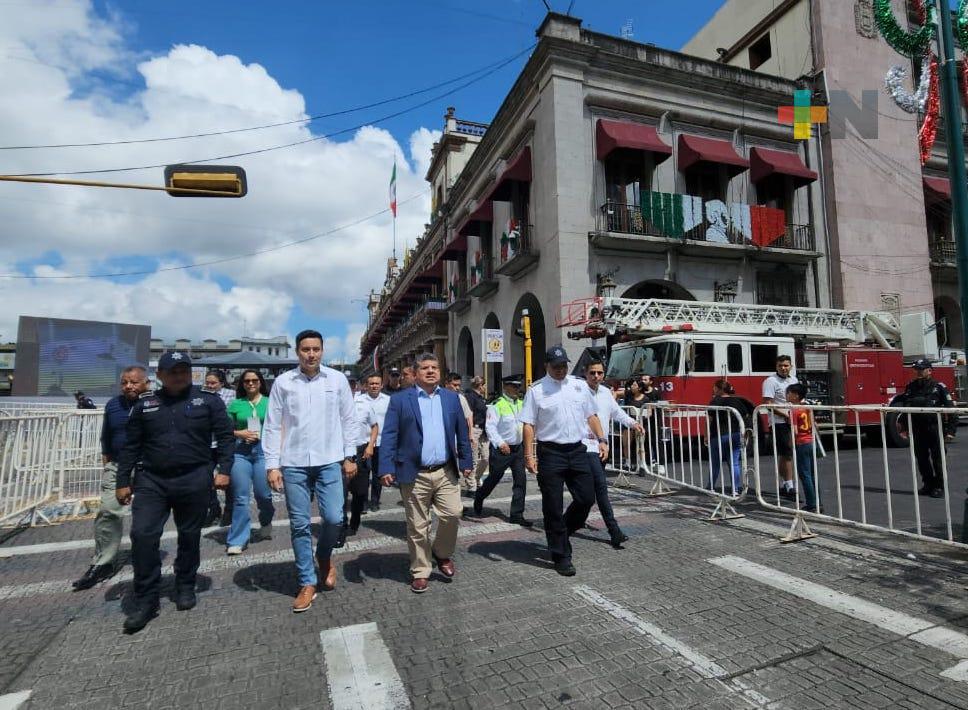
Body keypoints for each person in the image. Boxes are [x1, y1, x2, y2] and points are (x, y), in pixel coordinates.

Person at [115, 352, 234, 633]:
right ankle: (146, 598)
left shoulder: (208, 401)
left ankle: (185, 585)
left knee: (189, 536)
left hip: (194, 478)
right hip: (151, 480)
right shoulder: (145, 405)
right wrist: (123, 480)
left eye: (184, 370)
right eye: (173, 371)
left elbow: (226, 437)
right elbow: (131, 446)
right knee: (142, 535)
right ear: (160, 375)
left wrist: (225, 469)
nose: (179, 375)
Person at [263, 330, 358, 612]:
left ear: (322, 350)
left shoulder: (337, 379)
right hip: (293, 463)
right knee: (300, 525)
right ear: (297, 352)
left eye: (316, 349)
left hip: (330, 459)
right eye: (305, 349)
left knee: (334, 518)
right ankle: (307, 581)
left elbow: (349, 418)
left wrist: (349, 455)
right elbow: (272, 424)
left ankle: (324, 554)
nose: (311, 354)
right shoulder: (283, 382)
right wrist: (272, 465)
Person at [379, 353, 472, 594]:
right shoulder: (400, 400)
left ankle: (441, 553)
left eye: (434, 367)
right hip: (414, 472)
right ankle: (421, 570)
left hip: (445, 470)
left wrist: (466, 461)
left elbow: (462, 433)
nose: (430, 371)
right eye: (425, 368)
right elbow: (389, 436)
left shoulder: (452, 399)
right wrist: (386, 466)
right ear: (416, 373)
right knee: (418, 526)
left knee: (453, 513)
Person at [521, 346, 607, 577]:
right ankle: (560, 555)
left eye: (564, 366)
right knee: (552, 506)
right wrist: (529, 455)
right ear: (547, 366)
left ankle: (563, 531)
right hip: (551, 453)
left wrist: (602, 439)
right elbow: (528, 424)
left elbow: (591, 415)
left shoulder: (579, 385)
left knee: (587, 498)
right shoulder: (537, 390)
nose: (560, 370)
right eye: (556, 366)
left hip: (577, 451)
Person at [72, 366, 150, 591]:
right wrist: (107, 462)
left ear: (146, 383)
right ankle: (103, 563)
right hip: (117, 465)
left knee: (147, 519)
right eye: (125, 382)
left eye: (134, 382)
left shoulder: (156, 403)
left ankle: (145, 557)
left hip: (148, 467)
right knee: (107, 511)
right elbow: (106, 435)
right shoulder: (113, 405)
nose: (128, 386)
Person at [583, 359, 643, 548]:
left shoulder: (606, 393)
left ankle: (573, 520)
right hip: (585, 447)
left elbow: (617, 413)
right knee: (600, 488)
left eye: (600, 373)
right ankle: (614, 531)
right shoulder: (578, 393)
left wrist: (633, 423)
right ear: (586, 373)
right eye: (592, 373)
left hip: (603, 448)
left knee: (588, 494)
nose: (596, 376)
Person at [224, 369, 274, 555]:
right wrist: (239, 433)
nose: (251, 383)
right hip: (241, 453)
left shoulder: (270, 402)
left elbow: (279, 426)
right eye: (247, 381)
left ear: (260, 382)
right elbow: (225, 429)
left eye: (254, 380)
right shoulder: (235, 404)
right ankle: (237, 539)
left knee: (264, 495)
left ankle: (266, 520)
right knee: (240, 497)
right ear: (242, 384)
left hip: (263, 452)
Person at [473, 375, 531, 526]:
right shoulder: (496, 404)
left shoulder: (521, 403)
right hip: (502, 450)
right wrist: (500, 443)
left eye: (518, 386)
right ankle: (479, 496)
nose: (517, 389)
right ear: (506, 387)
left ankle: (517, 515)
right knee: (493, 479)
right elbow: (490, 427)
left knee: (520, 481)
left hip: (517, 448)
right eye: (514, 386)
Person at [897, 359, 956, 498]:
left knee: (938, 459)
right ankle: (928, 484)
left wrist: (951, 431)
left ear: (929, 370)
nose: (918, 372)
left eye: (921, 369)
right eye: (916, 369)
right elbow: (906, 407)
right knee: (922, 459)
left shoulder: (938, 387)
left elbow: (951, 410)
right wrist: (903, 426)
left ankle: (939, 486)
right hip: (918, 429)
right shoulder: (911, 387)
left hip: (935, 428)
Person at [337, 378, 378, 546]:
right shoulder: (333, 405)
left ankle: (354, 522)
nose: (349, 388)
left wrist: (370, 446)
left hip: (361, 452)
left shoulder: (365, 404)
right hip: (339, 453)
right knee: (340, 494)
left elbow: (375, 426)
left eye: (351, 385)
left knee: (360, 493)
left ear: (355, 387)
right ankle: (341, 528)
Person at [706, 379, 753, 495]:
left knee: (715, 463)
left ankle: (710, 487)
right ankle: (735, 489)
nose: (713, 389)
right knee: (734, 462)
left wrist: (706, 435)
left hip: (717, 435)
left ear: (719, 389)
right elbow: (746, 416)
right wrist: (746, 432)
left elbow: (710, 420)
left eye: (715, 387)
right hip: (735, 434)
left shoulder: (714, 401)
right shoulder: (737, 401)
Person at [762, 355, 798, 498]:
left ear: (791, 366)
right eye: (780, 366)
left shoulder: (794, 380)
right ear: (776, 367)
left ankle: (784, 484)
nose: (783, 368)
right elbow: (768, 404)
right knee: (787, 453)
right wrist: (785, 415)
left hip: (792, 421)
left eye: (786, 365)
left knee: (785, 454)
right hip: (779, 423)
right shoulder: (770, 381)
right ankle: (789, 486)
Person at [203, 370, 236, 526]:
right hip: (206, 444)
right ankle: (213, 508)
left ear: (221, 383)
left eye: (213, 383)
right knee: (204, 479)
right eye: (207, 382)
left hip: (224, 443)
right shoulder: (201, 396)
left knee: (227, 478)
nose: (209, 385)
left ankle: (229, 511)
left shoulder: (231, 395)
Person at [785, 383, 821, 512]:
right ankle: (819, 502)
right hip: (811, 441)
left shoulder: (794, 410)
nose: (787, 395)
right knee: (813, 474)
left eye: (788, 393)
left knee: (804, 474)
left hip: (801, 442)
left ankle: (811, 503)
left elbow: (794, 430)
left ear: (795, 395)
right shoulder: (807, 408)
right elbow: (816, 425)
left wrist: (790, 442)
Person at [361, 374, 391, 511]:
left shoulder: (388, 400)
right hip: (364, 443)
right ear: (366, 385)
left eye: (376, 383)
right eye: (371, 383)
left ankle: (374, 501)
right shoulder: (358, 400)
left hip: (381, 443)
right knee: (363, 475)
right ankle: (362, 501)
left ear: (381, 385)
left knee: (378, 473)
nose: (374, 386)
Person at [445, 372, 476, 493]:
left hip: (458, 437)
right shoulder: (439, 397)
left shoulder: (460, 398)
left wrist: (471, 433)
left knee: (458, 464)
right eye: (454, 385)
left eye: (458, 385)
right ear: (447, 384)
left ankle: (463, 488)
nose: (457, 388)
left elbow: (468, 416)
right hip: (445, 438)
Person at [624, 376, 660, 472]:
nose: (632, 386)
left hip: (640, 424)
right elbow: (615, 393)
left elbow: (649, 412)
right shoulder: (628, 395)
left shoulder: (646, 399)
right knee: (626, 443)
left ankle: (642, 465)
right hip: (628, 424)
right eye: (631, 385)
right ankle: (627, 463)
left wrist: (642, 417)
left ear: (639, 387)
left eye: (634, 385)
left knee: (641, 445)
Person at [465, 376, 490, 487]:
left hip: (483, 430)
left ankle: (476, 477)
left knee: (486, 457)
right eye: (484, 385)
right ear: (480, 385)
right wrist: (470, 431)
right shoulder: (470, 397)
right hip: (474, 429)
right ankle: (472, 484)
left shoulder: (481, 398)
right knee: (474, 458)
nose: (486, 388)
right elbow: (469, 415)